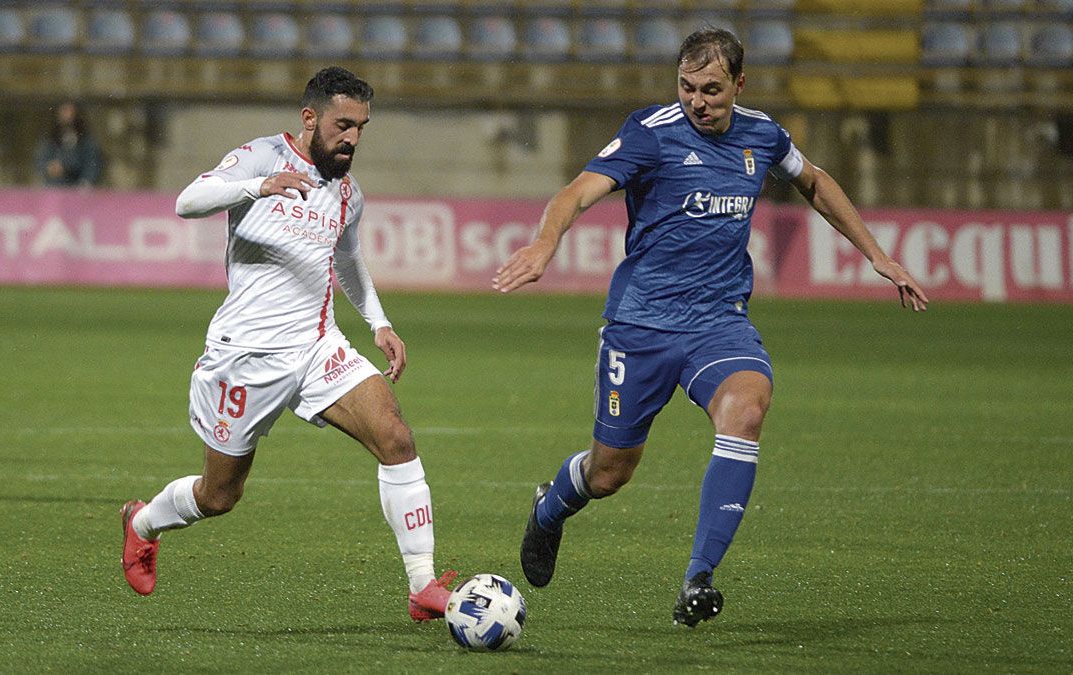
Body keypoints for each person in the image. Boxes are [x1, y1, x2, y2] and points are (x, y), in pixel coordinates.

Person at [492, 28, 929, 628]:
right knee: (610, 472)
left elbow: (816, 181)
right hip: (640, 325)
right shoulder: (651, 132)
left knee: (747, 407)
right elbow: (576, 192)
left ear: (739, 84)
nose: (698, 101)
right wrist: (545, 243)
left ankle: (699, 577)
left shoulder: (762, 133)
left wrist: (874, 252)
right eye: (688, 87)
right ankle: (549, 510)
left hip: (718, 323)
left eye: (712, 90)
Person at [119, 66, 457, 621]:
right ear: (310, 119)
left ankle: (422, 585)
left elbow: (346, 258)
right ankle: (142, 522)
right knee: (219, 496)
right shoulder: (260, 157)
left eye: (361, 128)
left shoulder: (348, 194)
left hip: (317, 345)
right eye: (342, 124)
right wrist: (259, 186)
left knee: (396, 437)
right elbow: (187, 201)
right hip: (245, 355)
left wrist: (379, 322)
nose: (352, 138)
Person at [35, 100, 102, 186]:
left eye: (70, 111)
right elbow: (41, 159)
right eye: (64, 111)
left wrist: (85, 182)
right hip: (55, 187)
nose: (67, 115)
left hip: (77, 186)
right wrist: (48, 167)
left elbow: (92, 163)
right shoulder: (51, 138)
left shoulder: (86, 140)